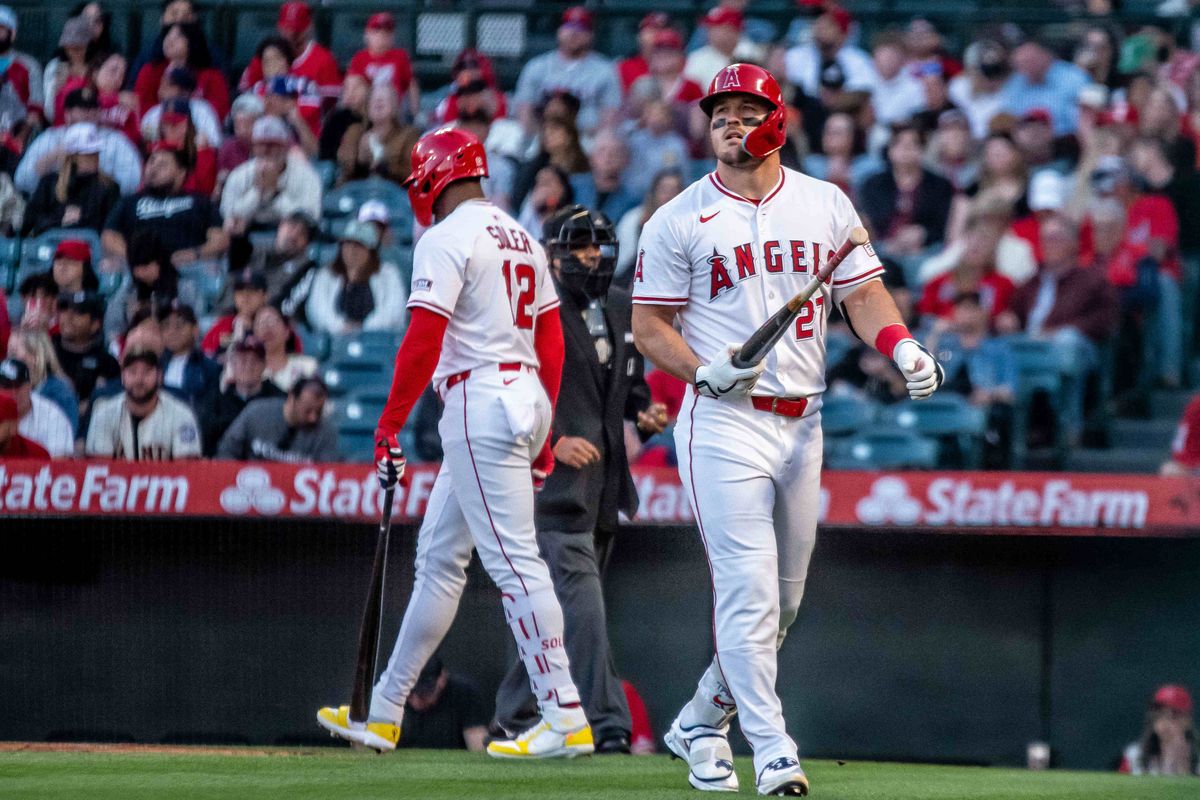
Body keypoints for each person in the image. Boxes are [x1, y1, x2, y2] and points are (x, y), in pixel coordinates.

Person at [630, 63, 943, 796]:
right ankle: (773, 751)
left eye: (745, 111)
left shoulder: (825, 203)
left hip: (805, 421)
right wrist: (702, 369)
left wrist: (901, 346)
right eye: (719, 115)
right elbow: (649, 326)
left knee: (786, 603)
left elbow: (863, 294)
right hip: (724, 421)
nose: (730, 125)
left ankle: (701, 723)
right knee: (748, 592)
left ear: (777, 119)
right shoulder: (676, 217)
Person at [316, 127, 592, 760]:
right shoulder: (520, 232)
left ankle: (564, 712)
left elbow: (422, 339)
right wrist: (545, 428)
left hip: (479, 400)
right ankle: (384, 710)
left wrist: (388, 424)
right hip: (519, 397)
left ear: (435, 177)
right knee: (440, 563)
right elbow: (550, 341)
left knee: (514, 563)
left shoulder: (445, 237)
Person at [492, 205, 666, 755]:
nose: (591, 255)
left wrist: (643, 410)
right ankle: (607, 719)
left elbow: (627, 377)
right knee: (583, 601)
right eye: (580, 245)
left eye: (597, 245)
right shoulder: (530, 311)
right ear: (553, 253)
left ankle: (516, 711)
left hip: (606, 485)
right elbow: (509, 387)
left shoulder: (618, 304)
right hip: (552, 487)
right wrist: (552, 441)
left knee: (565, 611)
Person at [997, 213, 1118, 444]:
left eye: (1056, 239)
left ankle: (1069, 427)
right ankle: (1005, 431)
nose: (1049, 245)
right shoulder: (1032, 281)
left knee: (1067, 342)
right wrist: (1008, 319)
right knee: (998, 346)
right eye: (1046, 239)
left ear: (1073, 243)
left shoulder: (1091, 279)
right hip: (1031, 345)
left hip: (1074, 348)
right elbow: (1016, 313)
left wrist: (1061, 330)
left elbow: (1106, 319)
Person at [102, 143, 227, 267]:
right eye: (151, 162)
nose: (153, 168)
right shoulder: (129, 202)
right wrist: (135, 258)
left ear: (181, 172)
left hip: (189, 269)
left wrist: (195, 254)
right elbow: (109, 236)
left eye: (162, 165)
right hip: (139, 271)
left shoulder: (201, 202)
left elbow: (220, 240)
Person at [513, 6, 620, 137]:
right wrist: (536, 138)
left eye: (581, 28)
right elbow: (524, 108)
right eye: (569, 27)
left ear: (591, 36)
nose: (573, 33)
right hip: (542, 138)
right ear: (559, 32)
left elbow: (610, 116)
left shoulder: (605, 70)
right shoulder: (537, 67)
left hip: (587, 141)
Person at [16, 89, 142, 195]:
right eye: (82, 109)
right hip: (57, 205)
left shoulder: (114, 139)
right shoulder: (50, 138)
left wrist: (99, 179)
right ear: (67, 114)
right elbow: (21, 181)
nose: (90, 113)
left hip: (99, 206)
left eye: (94, 109)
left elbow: (133, 179)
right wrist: (53, 157)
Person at [85, 346, 201, 460]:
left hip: (164, 479)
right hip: (117, 479)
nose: (139, 379)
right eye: (133, 371)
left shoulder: (181, 415)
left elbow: (187, 471)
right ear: (123, 377)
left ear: (159, 376)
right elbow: (99, 469)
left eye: (147, 371)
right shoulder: (104, 414)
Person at [860, 124, 955, 259]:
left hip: (925, 250)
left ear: (923, 150)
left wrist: (923, 234)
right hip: (882, 247)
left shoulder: (939, 186)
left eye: (913, 144)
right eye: (899, 144)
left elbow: (942, 225)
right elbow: (870, 221)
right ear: (890, 150)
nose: (906, 149)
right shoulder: (873, 184)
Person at [221, 115, 321, 235]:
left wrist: (275, 195)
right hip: (247, 234)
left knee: (294, 228)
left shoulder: (306, 175)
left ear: (285, 146)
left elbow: (311, 216)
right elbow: (228, 212)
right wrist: (257, 193)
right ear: (253, 147)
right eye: (260, 145)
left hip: (290, 236)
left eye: (272, 145)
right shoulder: (239, 174)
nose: (265, 150)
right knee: (233, 224)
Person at [305, 219, 406, 335]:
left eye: (359, 245)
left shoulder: (389, 274)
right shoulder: (326, 274)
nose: (351, 250)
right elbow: (316, 310)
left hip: (376, 341)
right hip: (336, 339)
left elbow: (395, 310)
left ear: (371, 251)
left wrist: (363, 329)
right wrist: (341, 326)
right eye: (347, 244)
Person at [24, 121, 119, 237]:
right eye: (88, 153)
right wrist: (60, 221)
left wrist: (81, 220)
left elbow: (111, 228)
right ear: (72, 157)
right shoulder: (49, 183)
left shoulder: (109, 187)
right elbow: (31, 220)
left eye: (96, 152)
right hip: (51, 247)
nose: (95, 157)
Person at [216, 375, 336, 462]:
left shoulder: (325, 431)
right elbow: (227, 450)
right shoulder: (257, 412)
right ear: (291, 398)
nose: (313, 418)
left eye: (318, 411)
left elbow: (326, 472)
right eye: (307, 411)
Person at [237, 1, 340, 104]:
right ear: (279, 27)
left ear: (310, 28)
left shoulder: (324, 59)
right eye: (287, 28)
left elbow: (330, 104)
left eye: (297, 30)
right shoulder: (265, 56)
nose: (291, 34)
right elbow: (244, 94)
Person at [197, 334, 283, 455]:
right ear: (232, 364)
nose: (248, 366)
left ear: (264, 365)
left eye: (254, 361)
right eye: (242, 360)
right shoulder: (215, 400)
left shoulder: (278, 399)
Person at [133, 21, 229, 120]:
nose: (170, 40)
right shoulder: (150, 71)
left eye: (178, 36)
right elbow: (142, 109)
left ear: (192, 41)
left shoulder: (212, 75)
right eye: (168, 35)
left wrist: (183, 100)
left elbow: (219, 112)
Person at [783, 5, 875, 105]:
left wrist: (834, 101)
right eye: (818, 24)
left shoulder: (858, 59)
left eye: (828, 25)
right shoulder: (796, 55)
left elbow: (863, 91)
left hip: (843, 113)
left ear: (842, 33)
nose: (820, 29)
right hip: (803, 112)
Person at [998, 37, 1089, 136]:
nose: (1025, 68)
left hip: (1068, 139)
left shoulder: (1074, 77)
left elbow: (1086, 117)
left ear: (1046, 56)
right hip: (1027, 142)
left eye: (1029, 61)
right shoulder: (1015, 83)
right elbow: (1009, 115)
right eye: (1020, 64)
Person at [398, 655, 489, 752]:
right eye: (409, 694)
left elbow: (478, 747)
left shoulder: (464, 693)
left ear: (442, 679)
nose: (416, 702)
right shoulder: (391, 695)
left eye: (425, 693)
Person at [335, 83, 420, 185]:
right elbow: (345, 168)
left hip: (393, 194)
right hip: (359, 192)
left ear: (395, 107)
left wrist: (383, 165)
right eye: (374, 99)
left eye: (385, 98)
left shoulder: (409, 135)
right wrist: (359, 160)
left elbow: (412, 174)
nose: (378, 101)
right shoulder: (355, 133)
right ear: (367, 107)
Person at [53, 290, 118, 416]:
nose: (68, 317)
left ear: (95, 324)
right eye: (65, 310)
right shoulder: (45, 350)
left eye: (78, 312)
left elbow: (104, 404)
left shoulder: (107, 363)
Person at [615, 169, 684, 283]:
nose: (669, 195)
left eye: (674, 190)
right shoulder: (634, 218)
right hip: (628, 277)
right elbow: (622, 260)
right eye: (664, 190)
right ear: (654, 192)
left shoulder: (688, 224)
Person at [6, 327, 79, 434]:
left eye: (13, 353)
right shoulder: (7, 388)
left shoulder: (59, 392)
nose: (8, 360)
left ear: (35, 356)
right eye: (8, 354)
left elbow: (66, 435)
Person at [347, 12, 418, 119]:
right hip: (366, 109)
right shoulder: (360, 58)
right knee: (354, 82)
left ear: (392, 36)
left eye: (386, 32)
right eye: (377, 31)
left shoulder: (400, 56)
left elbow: (411, 85)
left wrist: (415, 114)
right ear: (367, 34)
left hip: (394, 111)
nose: (381, 36)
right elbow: (351, 87)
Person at [1119, 684, 1199, 776]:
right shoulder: (1133, 755)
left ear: (1187, 720)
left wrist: (1184, 769)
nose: (1165, 722)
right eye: (1159, 715)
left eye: (1173, 716)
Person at [0, 357, 73, 456]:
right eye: (6, 387)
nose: (13, 393)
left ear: (30, 386)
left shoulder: (52, 416)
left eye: (18, 386)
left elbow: (59, 464)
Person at [158, 299, 219, 408]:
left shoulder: (209, 369)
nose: (172, 331)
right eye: (166, 325)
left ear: (195, 330)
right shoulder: (155, 366)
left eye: (179, 325)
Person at [570, 129, 639, 224]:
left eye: (615, 152)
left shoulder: (633, 199)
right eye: (602, 151)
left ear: (626, 160)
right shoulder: (573, 186)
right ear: (591, 157)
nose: (608, 157)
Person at [201, 268, 267, 358]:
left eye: (252, 291)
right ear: (234, 297)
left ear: (265, 296)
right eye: (240, 292)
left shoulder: (277, 325)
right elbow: (206, 357)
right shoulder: (222, 325)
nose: (245, 297)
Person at [251, 303, 317, 392]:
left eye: (272, 321)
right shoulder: (247, 370)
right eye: (261, 323)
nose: (266, 327)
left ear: (287, 331)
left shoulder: (307, 367)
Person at [684, 7, 744, 89]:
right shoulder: (696, 58)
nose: (710, 32)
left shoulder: (751, 53)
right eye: (710, 28)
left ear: (733, 30)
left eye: (718, 27)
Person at [217, 93, 263, 193]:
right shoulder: (228, 148)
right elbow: (218, 188)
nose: (243, 131)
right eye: (238, 125)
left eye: (248, 125)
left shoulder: (270, 143)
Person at [319, 73, 368, 162]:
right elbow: (324, 152)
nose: (351, 92)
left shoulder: (375, 117)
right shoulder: (335, 118)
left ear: (368, 89)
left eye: (356, 87)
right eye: (346, 88)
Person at [617, 13, 669, 95]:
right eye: (651, 30)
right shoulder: (625, 67)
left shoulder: (677, 65)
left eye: (660, 29)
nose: (656, 34)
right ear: (640, 36)